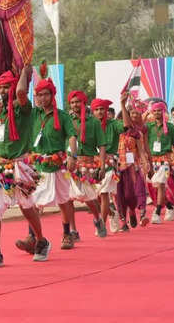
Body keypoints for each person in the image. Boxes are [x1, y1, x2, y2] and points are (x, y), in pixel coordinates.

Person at [0, 67, 50, 266]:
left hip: (20, 167)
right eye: (1, 87)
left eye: (7, 87)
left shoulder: (24, 108)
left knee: (27, 208)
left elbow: (20, 93)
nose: (3, 91)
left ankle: (41, 240)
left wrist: (23, 68)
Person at [29, 74, 78, 250]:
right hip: (37, 166)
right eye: (39, 95)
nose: (42, 98)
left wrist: (72, 155)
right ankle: (32, 237)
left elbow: (72, 136)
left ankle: (67, 234)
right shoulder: (33, 113)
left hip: (59, 166)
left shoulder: (63, 116)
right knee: (32, 201)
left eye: (45, 94)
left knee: (63, 201)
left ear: (52, 95)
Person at [66, 91, 109, 238]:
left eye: (77, 102)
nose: (75, 105)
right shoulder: (66, 120)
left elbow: (102, 145)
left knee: (89, 197)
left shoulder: (94, 122)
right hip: (69, 163)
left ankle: (98, 219)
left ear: (84, 103)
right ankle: (73, 230)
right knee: (68, 198)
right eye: (72, 102)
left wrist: (102, 166)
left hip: (87, 163)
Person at [118, 92, 152, 229]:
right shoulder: (118, 129)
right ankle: (123, 221)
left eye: (137, 114)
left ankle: (141, 214)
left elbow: (144, 148)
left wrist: (146, 163)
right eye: (131, 114)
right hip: (119, 165)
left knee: (137, 190)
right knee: (120, 194)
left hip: (134, 165)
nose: (134, 116)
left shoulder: (140, 131)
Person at [91, 98, 124, 233]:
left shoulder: (114, 124)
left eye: (102, 109)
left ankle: (102, 225)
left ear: (106, 111)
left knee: (104, 193)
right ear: (93, 112)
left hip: (109, 164)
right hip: (91, 165)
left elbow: (125, 127)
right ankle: (112, 212)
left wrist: (123, 104)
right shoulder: (88, 125)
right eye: (97, 109)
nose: (99, 112)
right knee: (94, 196)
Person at [147, 101, 174, 224]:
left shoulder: (171, 127)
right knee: (157, 187)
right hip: (152, 161)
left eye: (159, 110)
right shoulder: (149, 127)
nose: (157, 112)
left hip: (165, 160)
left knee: (160, 184)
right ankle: (169, 207)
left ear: (163, 112)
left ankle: (156, 213)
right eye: (155, 110)